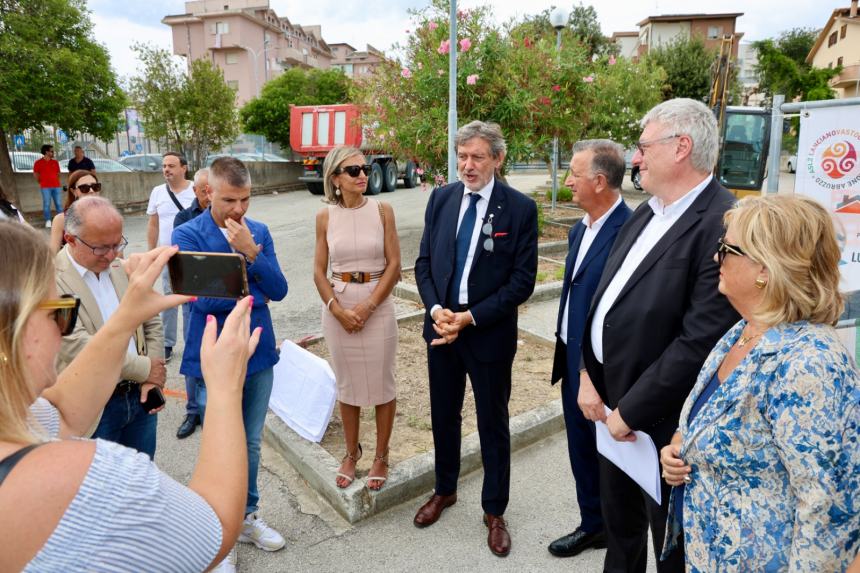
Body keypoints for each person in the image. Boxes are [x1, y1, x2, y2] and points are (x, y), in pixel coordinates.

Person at [0, 220, 260, 571]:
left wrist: (127, 316)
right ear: (12, 334)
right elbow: (214, 527)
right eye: (58, 313)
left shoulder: (17, 423)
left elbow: (61, 414)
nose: (64, 330)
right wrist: (226, 387)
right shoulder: (92, 481)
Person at [580, 98, 739, 573]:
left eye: (644, 146)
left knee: (671, 547)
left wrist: (631, 411)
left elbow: (701, 339)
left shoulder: (723, 221)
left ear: (681, 147)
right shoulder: (648, 211)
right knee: (621, 531)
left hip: (666, 425)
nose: (636, 158)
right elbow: (603, 300)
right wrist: (588, 373)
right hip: (612, 410)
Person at [659, 195, 860, 571]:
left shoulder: (809, 364)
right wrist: (679, 449)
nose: (716, 257)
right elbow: (714, 422)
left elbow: (828, 512)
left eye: (727, 248)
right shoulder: (744, 331)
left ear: (766, 269)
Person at [413, 120, 538, 557]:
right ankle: (444, 489)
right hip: (441, 330)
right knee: (443, 416)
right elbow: (424, 263)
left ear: (498, 159)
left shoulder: (520, 209)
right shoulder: (441, 198)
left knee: (492, 423)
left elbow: (522, 282)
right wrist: (436, 312)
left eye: (477, 157)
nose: (467, 165)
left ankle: (494, 510)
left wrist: (469, 318)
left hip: (486, 334)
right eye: (462, 156)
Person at [173, 157, 288, 567]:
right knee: (219, 445)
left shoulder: (258, 233)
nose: (239, 209)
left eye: (246, 199)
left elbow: (281, 288)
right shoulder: (187, 232)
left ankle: (245, 517)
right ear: (209, 194)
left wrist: (251, 254)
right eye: (229, 200)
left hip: (257, 353)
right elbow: (199, 300)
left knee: (251, 442)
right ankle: (215, 534)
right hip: (212, 356)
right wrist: (250, 287)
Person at [548, 140, 631, 558]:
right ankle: (592, 525)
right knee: (580, 447)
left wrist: (589, 375)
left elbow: (623, 314)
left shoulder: (630, 233)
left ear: (599, 181)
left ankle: (618, 537)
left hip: (602, 370)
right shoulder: (579, 228)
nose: (567, 183)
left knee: (612, 458)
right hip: (571, 357)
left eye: (574, 176)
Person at [313, 146, 401, 490]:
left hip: (377, 302)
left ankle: (381, 455)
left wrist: (367, 307)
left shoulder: (383, 210)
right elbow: (319, 271)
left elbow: (394, 264)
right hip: (339, 305)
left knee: (382, 383)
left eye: (363, 169)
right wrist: (337, 309)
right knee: (347, 385)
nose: (362, 174)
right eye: (353, 171)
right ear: (335, 178)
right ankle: (351, 453)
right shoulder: (324, 218)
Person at [54, 196, 164, 458]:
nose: (113, 254)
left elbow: (151, 320)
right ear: (70, 239)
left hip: (139, 397)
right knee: (98, 493)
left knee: (142, 480)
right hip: (94, 408)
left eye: (118, 244)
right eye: (102, 248)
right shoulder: (50, 279)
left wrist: (151, 380)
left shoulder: (118, 266)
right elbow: (77, 346)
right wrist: (147, 369)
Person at [147, 151, 194, 362]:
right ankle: (167, 343)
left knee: (192, 299)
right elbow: (153, 224)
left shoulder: (195, 190)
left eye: (171, 165)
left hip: (192, 255)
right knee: (169, 298)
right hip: (168, 255)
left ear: (183, 168)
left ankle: (193, 341)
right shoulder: (157, 192)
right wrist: (151, 253)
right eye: (164, 165)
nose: (166, 169)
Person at [174, 167, 211, 440]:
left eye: (213, 189)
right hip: (193, 298)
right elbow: (185, 263)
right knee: (193, 352)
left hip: (220, 297)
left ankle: (212, 407)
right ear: (195, 191)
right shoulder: (183, 219)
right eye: (204, 190)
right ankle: (192, 410)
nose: (209, 195)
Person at [49, 169, 101, 252]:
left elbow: (118, 255)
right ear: (74, 192)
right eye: (84, 188)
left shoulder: (110, 217)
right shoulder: (61, 220)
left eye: (95, 187)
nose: (91, 191)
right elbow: (52, 255)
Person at [32, 144, 62, 228]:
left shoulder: (55, 162)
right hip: (45, 187)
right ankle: (48, 220)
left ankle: (61, 220)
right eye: (52, 151)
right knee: (47, 204)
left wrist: (55, 181)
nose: (53, 153)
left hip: (56, 186)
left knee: (59, 204)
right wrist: (41, 181)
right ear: (46, 152)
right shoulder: (38, 163)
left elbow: (58, 174)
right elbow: (35, 174)